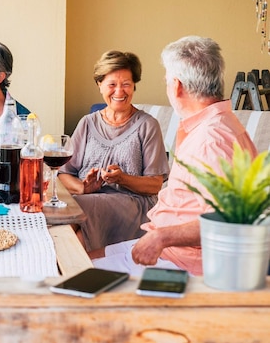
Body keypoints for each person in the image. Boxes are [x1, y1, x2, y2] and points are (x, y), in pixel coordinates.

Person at [90, 36, 257, 277]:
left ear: (177, 86)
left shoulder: (212, 140)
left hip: (182, 262)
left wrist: (161, 237)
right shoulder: (212, 125)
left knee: (68, 271)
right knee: (74, 258)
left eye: (167, 80)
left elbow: (232, 220)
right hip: (168, 249)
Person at [58, 50, 170, 251]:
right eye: (112, 84)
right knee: (73, 227)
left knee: (76, 209)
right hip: (88, 202)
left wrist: (122, 179)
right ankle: (72, 273)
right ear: (99, 85)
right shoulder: (87, 123)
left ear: (134, 85)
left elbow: (155, 185)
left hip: (132, 205)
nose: (119, 91)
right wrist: (84, 188)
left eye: (126, 84)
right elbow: (63, 174)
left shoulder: (148, 125)